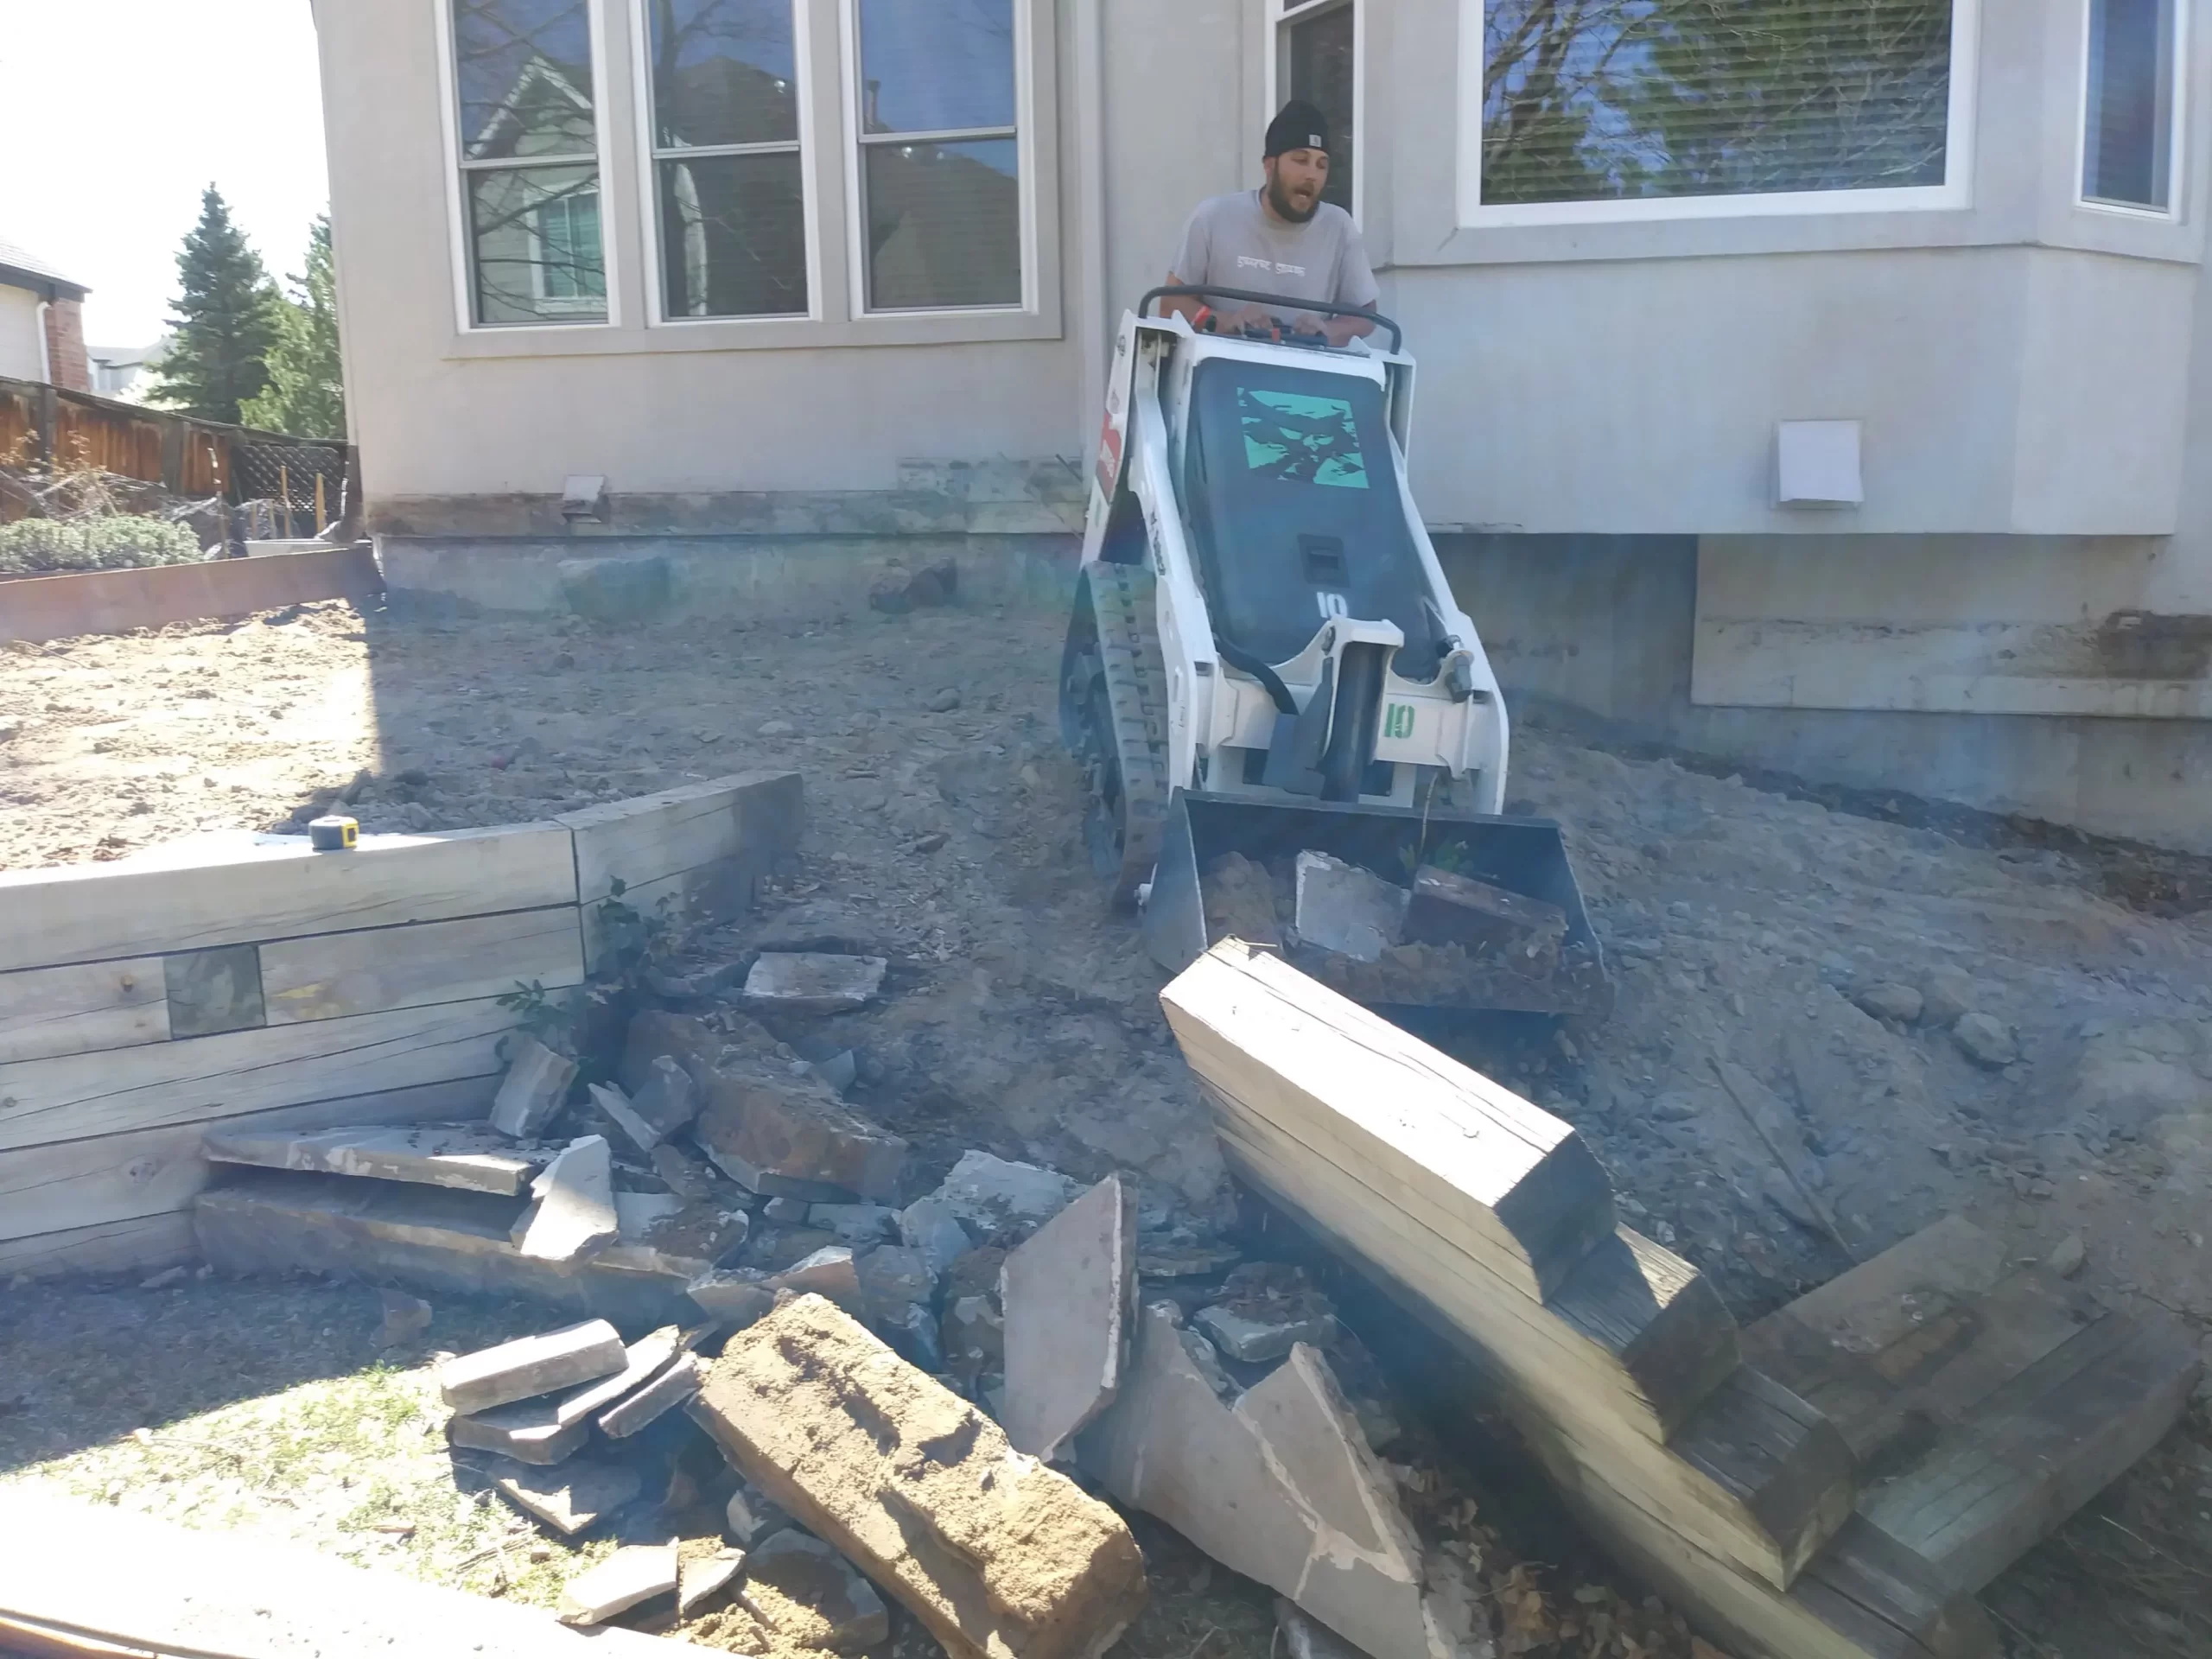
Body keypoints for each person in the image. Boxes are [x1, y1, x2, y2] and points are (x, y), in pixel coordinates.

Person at [1164, 99, 1379, 347]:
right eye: (1301, 160)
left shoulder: (1339, 227)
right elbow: (1171, 305)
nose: (1312, 174)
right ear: (1269, 165)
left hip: (1305, 379)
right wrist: (1227, 322)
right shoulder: (1212, 217)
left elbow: (1366, 316)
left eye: (1322, 165)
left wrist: (1326, 331)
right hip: (1218, 374)